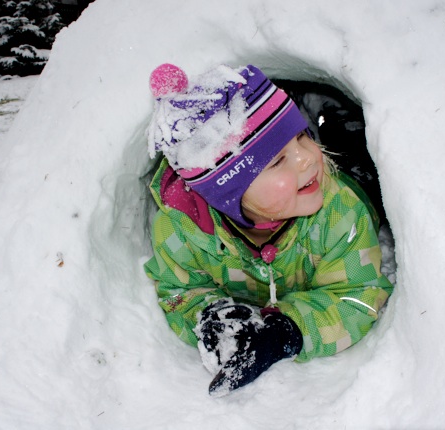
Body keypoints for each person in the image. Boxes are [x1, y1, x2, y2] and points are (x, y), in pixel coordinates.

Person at [143, 63, 394, 397]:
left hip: (349, 185)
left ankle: (337, 124)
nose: (306, 158)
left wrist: (285, 331)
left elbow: (358, 294)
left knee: (363, 171)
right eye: (277, 160)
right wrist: (211, 316)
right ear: (226, 191)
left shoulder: (340, 212)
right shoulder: (181, 231)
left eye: (303, 137)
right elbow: (179, 292)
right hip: (301, 190)